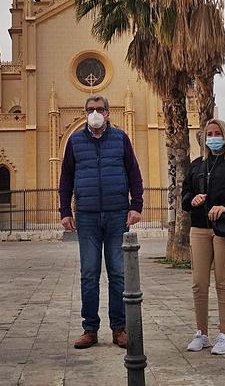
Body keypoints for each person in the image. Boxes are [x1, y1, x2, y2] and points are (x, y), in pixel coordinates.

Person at [59, 95, 144, 349]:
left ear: (107, 113)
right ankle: (90, 329)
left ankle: (119, 329)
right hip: (87, 216)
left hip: (118, 215)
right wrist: (65, 211)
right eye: (90, 109)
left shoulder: (121, 139)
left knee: (118, 273)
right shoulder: (74, 141)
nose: (94, 113)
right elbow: (65, 179)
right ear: (85, 113)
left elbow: (134, 173)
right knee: (89, 274)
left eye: (99, 109)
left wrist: (136, 205)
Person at [181, 118, 225, 355]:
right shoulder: (196, 166)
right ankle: (201, 333)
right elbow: (185, 195)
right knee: (198, 283)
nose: (213, 137)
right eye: (209, 134)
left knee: (223, 282)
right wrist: (192, 200)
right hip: (200, 229)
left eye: (217, 133)